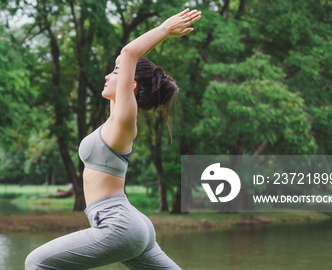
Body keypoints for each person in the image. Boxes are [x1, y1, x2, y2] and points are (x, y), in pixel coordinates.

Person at [25, 8, 201, 270]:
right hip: (131, 223)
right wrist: (128, 63)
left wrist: (164, 30)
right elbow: (124, 55)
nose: (108, 75)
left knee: (37, 262)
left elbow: (129, 54)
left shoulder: (125, 119)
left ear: (131, 85)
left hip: (117, 224)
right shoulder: (115, 117)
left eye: (116, 73)